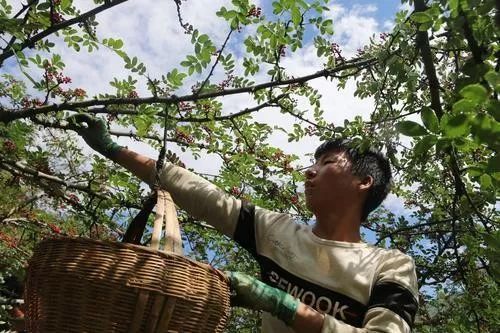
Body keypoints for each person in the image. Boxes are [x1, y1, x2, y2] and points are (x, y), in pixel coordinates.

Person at [70, 114, 419, 333]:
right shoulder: (276, 231)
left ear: (364, 182)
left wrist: (281, 304)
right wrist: (113, 149)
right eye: (312, 163)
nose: (310, 171)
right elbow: (199, 192)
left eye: (327, 162)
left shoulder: (391, 266)